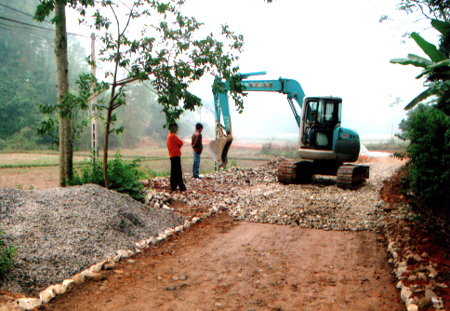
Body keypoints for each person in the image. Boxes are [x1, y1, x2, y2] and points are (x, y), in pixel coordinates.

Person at [167, 123, 186, 191]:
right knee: (178, 172)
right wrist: (179, 145)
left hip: (173, 155)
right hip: (175, 155)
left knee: (174, 172)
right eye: (175, 128)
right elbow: (181, 143)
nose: (176, 129)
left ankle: (174, 186)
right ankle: (181, 187)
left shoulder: (170, 135)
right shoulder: (173, 135)